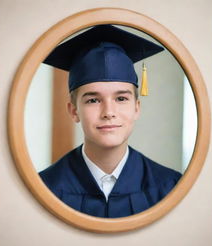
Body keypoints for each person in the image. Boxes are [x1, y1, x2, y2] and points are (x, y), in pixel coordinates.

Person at [39, 25, 182, 218]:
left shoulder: (170, 186)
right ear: (74, 111)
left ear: (136, 108)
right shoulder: (44, 187)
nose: (109, 112)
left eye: (121, 99)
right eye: (93, 100)